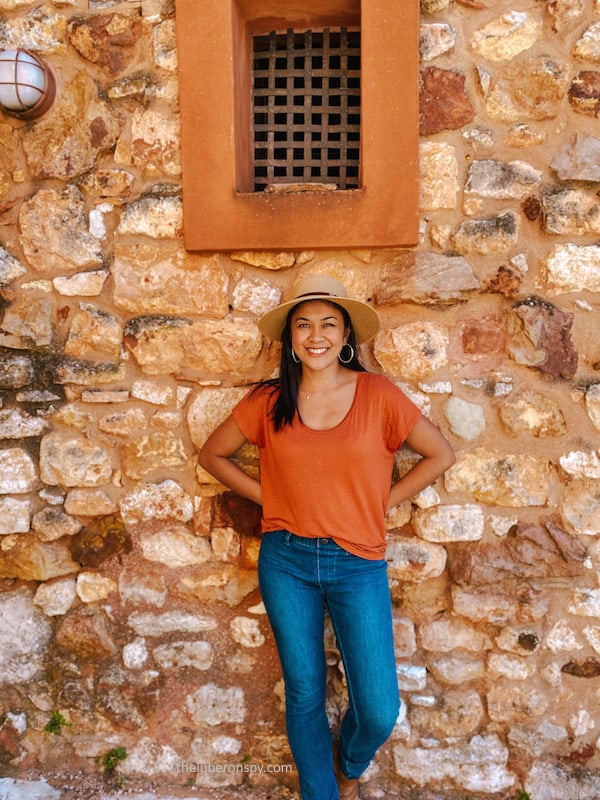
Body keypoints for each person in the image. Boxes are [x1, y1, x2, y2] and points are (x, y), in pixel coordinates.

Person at [198, 274, 456, 800]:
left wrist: (381, 499)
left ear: (345, 337)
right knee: (306, 692)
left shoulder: (378, 395)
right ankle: (321, 794)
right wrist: (268, 497)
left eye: (328, 325)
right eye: (303, 325)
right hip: (286, 562)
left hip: (357, 564)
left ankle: (350, 762)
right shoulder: (270, 400)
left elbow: (440, 454)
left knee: (380, 707)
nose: (316, 335)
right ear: (291, 337)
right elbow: (213, 455)